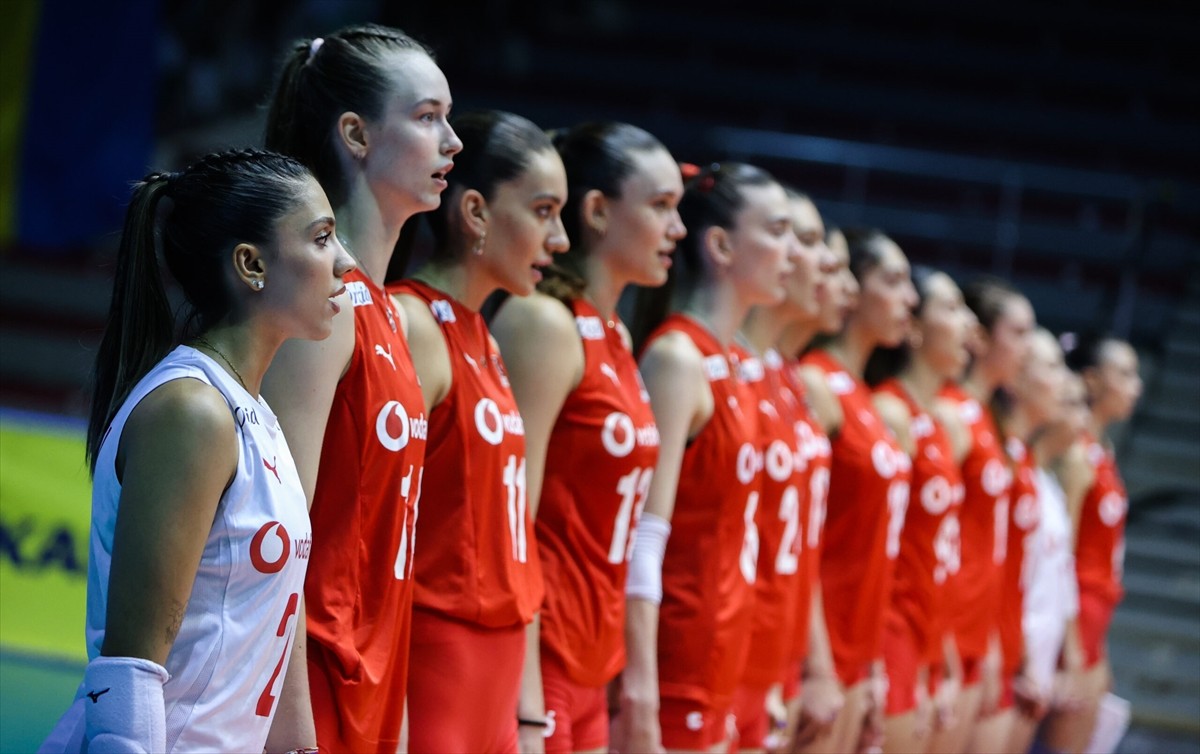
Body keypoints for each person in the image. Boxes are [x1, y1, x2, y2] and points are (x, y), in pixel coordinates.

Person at [39, 149, 355, 753]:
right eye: (321, 238)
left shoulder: (256, 416)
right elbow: (129, 671)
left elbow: (265, 640)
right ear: (251, 264)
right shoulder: (192, 412)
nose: (344, 261)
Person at [261, 24, 462, 754]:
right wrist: (291, 732)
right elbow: (276, 538)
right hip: (307, 694)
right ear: (355, 134)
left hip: (371, 689)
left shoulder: (388, 313)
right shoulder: (327, 305)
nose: (453, 142)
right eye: (427, 116)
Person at [488, 122, 685, 754]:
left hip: (594, 664)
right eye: (661, 207)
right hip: (541, 664)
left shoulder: (618, 337)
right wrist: (525, 698)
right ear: (597, 210)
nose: (676, 230)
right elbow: (510, 519)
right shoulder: (543, 322)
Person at [389, 109, 567, 754]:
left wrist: (527, 713)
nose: (562, 238)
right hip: (437, 660)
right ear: (475, 213)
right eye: (544, 211)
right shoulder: (412, 323)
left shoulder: (485, 335)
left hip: (496, 670)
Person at [619, 162, 794, 753]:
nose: (790, 252)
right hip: (677, 666)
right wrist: (639, 685)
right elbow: (643, 534)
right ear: (720, 245)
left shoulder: (738, 366)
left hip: (725, 658)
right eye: (776, 231)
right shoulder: (676, 358)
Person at [795, 228, 916, 754]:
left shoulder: (865, 396)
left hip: (856, 652)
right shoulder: (816, 382)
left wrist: (869, 665)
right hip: (815, 651)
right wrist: (817, 662)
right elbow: (803, 539)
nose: (907, 297)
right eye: (891, 280)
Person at [728, 190, 840, 753]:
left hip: (778, 651)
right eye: (806, 240)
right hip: (731, 651)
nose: (819, 263)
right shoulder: (720, 365)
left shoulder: (786, 376)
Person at [864, 266, 972, 754]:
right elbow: (875, 549)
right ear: (914, 329)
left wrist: (941, 655)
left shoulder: (939, 422)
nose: (968, 323)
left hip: (925, 636)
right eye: (951, 308)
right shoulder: (892, 412)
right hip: (888, 634)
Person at [932, 276, 1033, 754]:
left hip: (977, 634)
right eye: (1019, 333)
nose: (1027, 349)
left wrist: (991, 638)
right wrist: (945, 643)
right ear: (981, 337)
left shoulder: (987, 418)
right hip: (945, 633)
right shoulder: (951, 414)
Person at [1041, 333, 1142, 754]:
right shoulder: (1077, 456)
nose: (1135, 385)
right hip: (1075, 616)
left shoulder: (1102, 451)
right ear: (1091, 379)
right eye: (1124, 373)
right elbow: (1059, 555)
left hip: (1094, 621)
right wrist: (1074, 649)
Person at [776, 219, 854, 753]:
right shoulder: (806, 380)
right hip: (733, 655)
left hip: (797, 652)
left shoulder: (800, 384)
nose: (834, 275)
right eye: (816, 250)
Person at [990, 327, 1067, 749]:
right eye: (1052, 367)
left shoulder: (1023, 460)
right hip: (994, 654)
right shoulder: (1000, 452)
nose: (1064, 381)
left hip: (1016, 655)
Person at [1011, 355, 1089, 754]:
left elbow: (1059, 577)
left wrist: (1064, 655)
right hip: (1015, 660)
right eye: (1073, 403)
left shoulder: (1051, 487)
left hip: (1037, 656)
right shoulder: (1022, 475)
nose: (1083, 417)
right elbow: (1009, 574)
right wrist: (1025, 658)